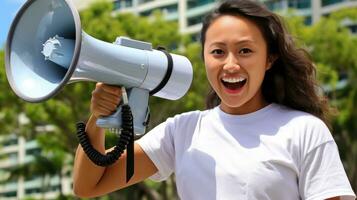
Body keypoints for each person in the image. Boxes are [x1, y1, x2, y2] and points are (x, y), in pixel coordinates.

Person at [72, 0, 356, 199]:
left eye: (245, 51)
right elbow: (88, 185)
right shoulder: (182, 131)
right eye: (218, 52)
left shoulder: (304, 130)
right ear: (205, 58)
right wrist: (98, 117)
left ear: (269, 59)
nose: (230, 64)